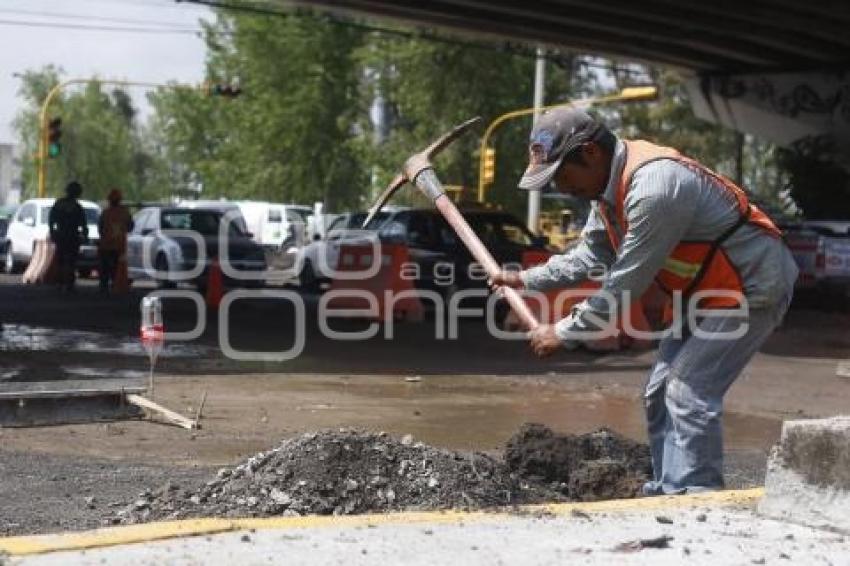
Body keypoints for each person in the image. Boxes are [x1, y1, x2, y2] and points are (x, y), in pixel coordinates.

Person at [489, 107, 798, 496]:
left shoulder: (655, 186)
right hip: (703, 293)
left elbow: (626, 281)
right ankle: (669, 490)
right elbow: (592, 254)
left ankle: (697, 500)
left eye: (562, 175)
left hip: (752, 284)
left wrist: (565, 331)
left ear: (590, 153)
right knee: (658, 392)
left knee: (687, 389)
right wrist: (525, 279)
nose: (561, 188)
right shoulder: (606, 192)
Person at [48, 181, 88, 293]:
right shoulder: (77, 207)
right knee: (71, 261)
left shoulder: (60, 204)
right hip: (72, 236)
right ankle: (68, 284)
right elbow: (83, 224)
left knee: (61, 260)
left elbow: (51, 219)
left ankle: (61, 283)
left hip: (62, 235)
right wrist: (85, 235)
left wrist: (52, 231)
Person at [97, 188, 134, 294]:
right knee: (116, 267)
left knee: (104, 267)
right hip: (119, 245)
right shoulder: (124, 212)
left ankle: (104, 287)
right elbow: (130, 226)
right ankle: (116, 284)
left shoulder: (105, 212)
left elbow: (100, 227)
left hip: (106, 245)